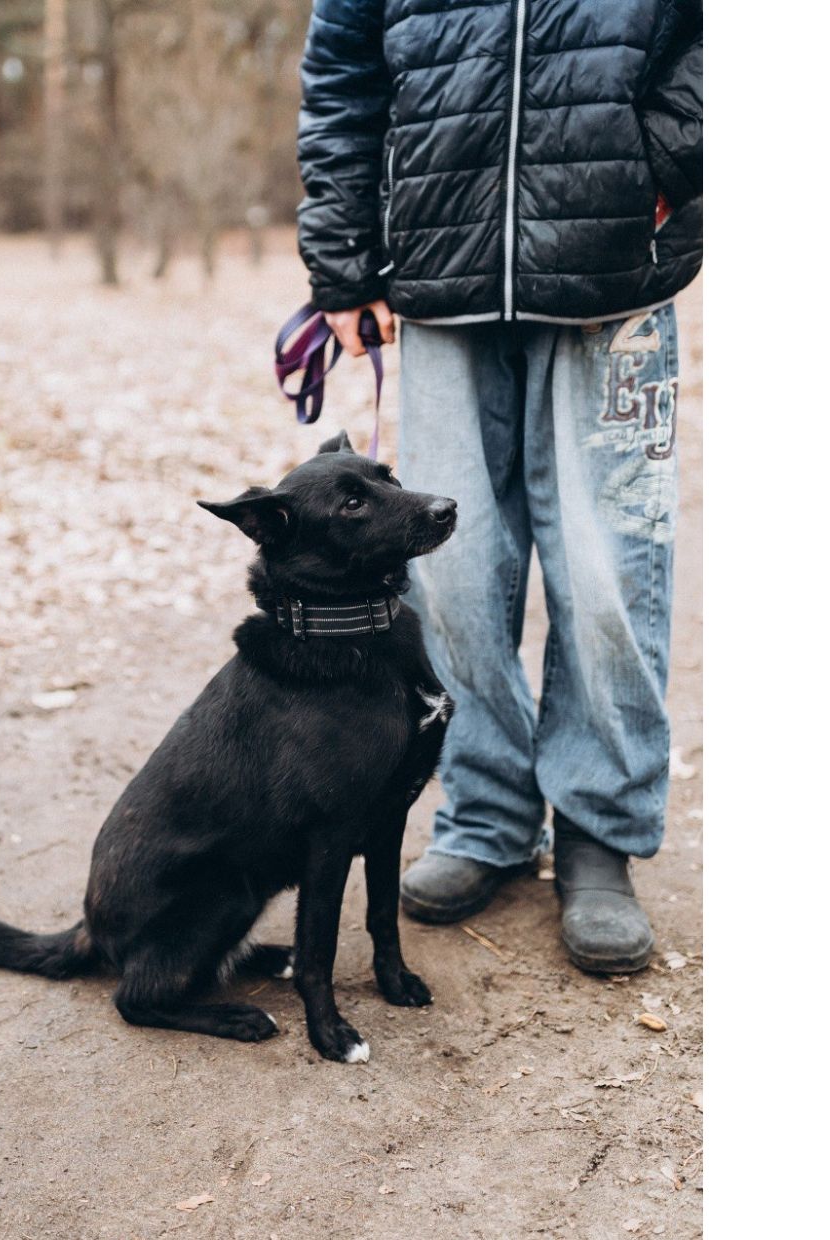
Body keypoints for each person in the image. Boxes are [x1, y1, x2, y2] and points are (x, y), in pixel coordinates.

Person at [295, 0, 701, 973]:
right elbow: (342, 68)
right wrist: (343, 259)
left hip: (614, 269)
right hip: (441, 263)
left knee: (607, 572)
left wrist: (658, 160)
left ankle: (597, 826)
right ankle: (485, 810)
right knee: (450, 573)